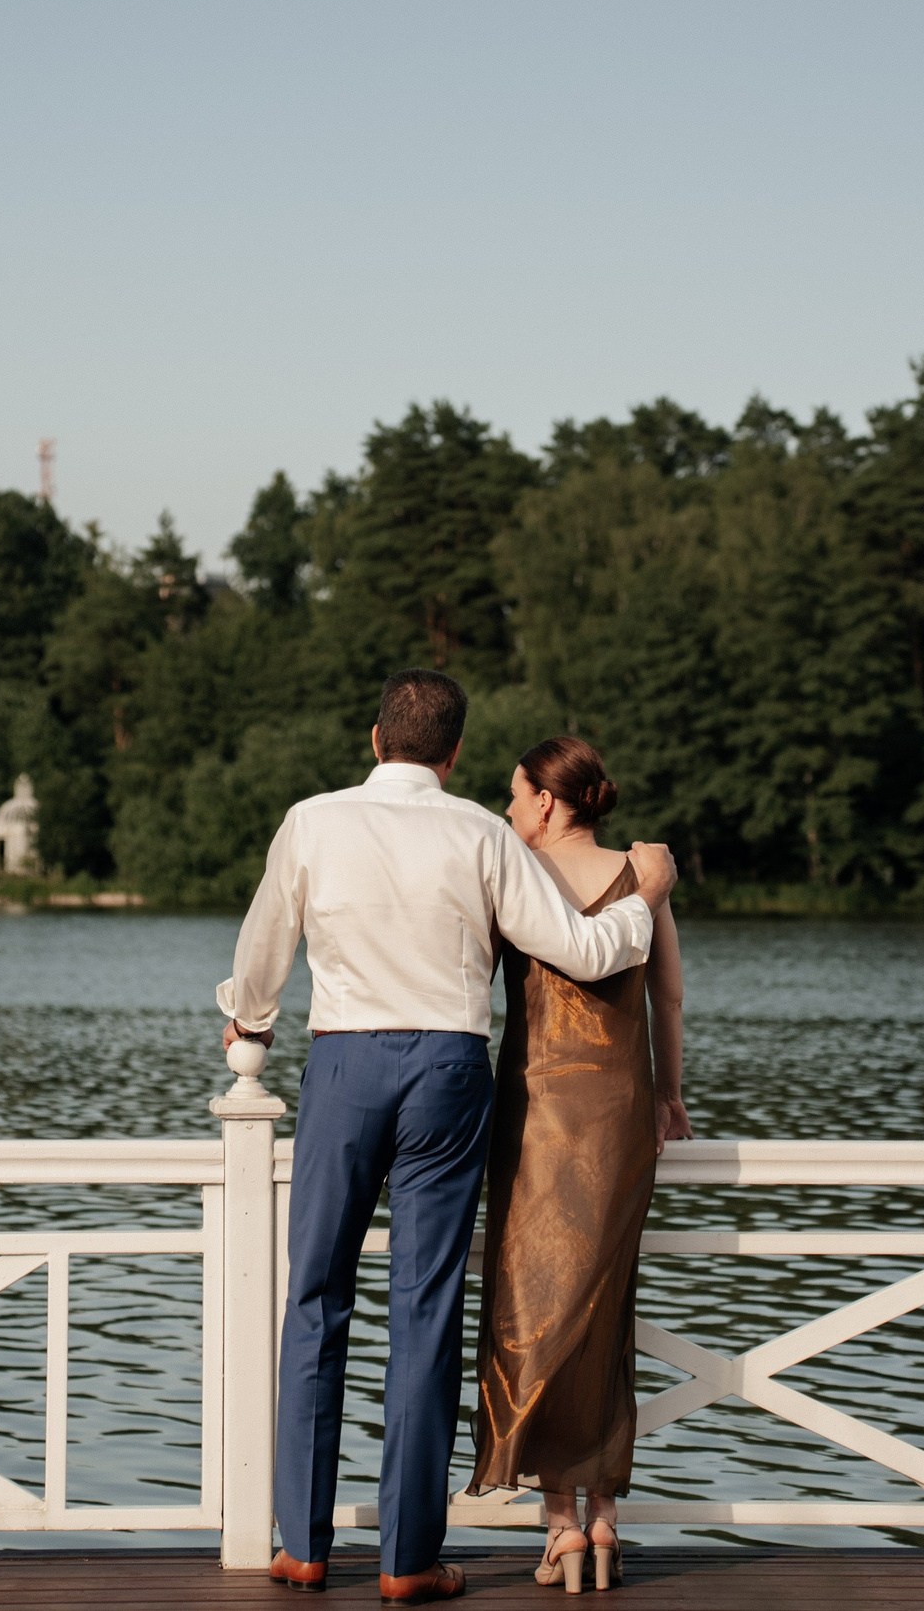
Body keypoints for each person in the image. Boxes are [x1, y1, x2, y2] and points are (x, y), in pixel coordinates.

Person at [218, 670, 678, 1605]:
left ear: (375, 738)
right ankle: (407, 1562)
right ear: (455, 753)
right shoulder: (481, 833)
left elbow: (263, 952)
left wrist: (250, 1022)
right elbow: (583, 951)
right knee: (423, 1310)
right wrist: (646, 895)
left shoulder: (311, 821)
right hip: (448, 1071)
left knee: (314, 1297)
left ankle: (304, 1547)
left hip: (344, 1066)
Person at [465, 737, 687, 1594]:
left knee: (532, 1306)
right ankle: (603, 1517)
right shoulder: (644, 873)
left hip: (536, 1113)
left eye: (515, 795)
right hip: (621, 1109)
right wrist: (670, 1096)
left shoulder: (512, 878)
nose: (508, 809)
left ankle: (561, 1523)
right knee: (603, 1307)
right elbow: (668, 994)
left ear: (548, 803)